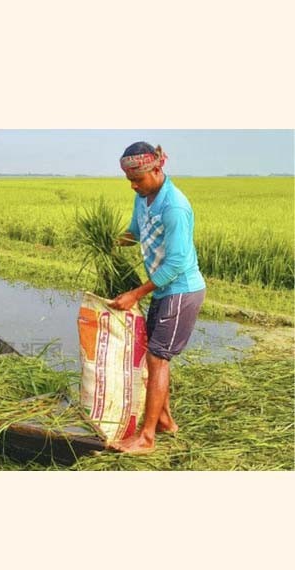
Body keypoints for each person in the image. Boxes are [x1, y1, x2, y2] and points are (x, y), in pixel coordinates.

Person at [108, 142, 206, 454]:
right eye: (130, 181)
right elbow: (134, 232)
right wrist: (106, 240)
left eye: (138, 179)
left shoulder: (174, 206)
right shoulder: (143, 198)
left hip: (181, 290)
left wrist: (135, 294)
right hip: (163, 290)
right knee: (154, 354)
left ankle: (146, 438)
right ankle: (164, 421)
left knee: (157, 358)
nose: (134, 186)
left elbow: (176, 264)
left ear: (157, 169)